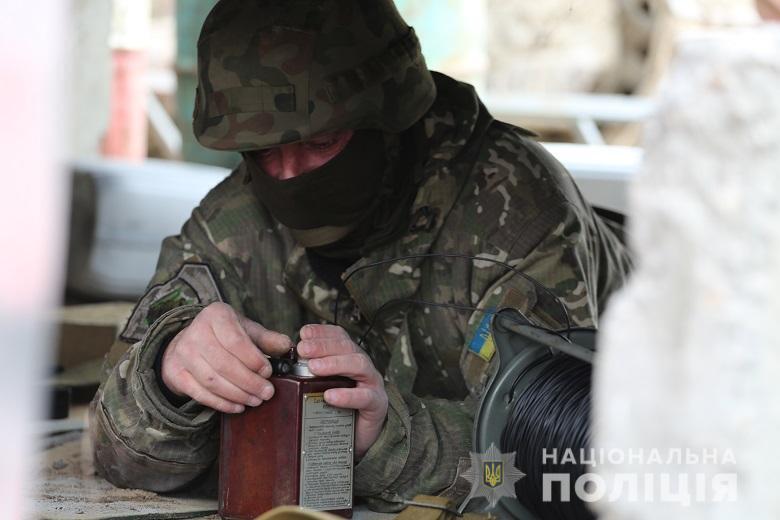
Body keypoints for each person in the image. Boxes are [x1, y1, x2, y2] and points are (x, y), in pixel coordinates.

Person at [89, 0, 632, 512]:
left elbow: (560, 462)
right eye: (263, 151)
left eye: (322, 142)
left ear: (390, 115)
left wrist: (387, 441)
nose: (289, 175)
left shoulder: (517, 214)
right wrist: (167, 377)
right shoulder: (234, 224)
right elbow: (114, 450)